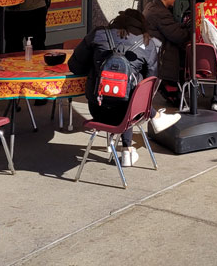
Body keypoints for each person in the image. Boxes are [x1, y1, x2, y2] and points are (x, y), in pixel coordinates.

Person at [67, 9, 164, 167]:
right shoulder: (148, 43)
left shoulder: (98, 34)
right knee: (135, 85)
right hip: (131, 115)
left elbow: (74, 66)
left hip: (97, 110)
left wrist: (97, 68)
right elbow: (151, 82)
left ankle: (129, 148)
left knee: (126, 90)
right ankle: (128, 148)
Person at [144, 0, 189, 104]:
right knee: (186, 54)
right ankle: (171, 89)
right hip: (162, 53)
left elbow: (172, 27)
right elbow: (178, 36)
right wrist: (190, 30)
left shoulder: (153, 6)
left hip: (156, 48)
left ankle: (171, 88)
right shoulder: (160, 13)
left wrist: (182, 26)